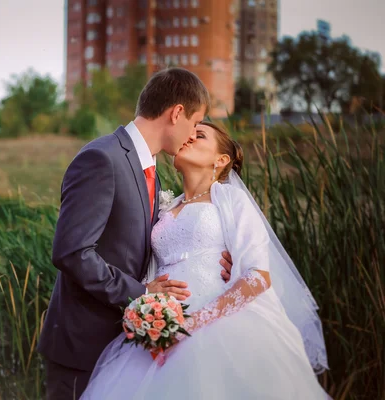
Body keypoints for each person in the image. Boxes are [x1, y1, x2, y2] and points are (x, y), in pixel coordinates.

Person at [80, 121, 330, 399]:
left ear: (220, 160)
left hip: (219, 322)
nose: (188, 139)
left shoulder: (231, 198)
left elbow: (258, 276)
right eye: (189, 133)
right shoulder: (164, 206)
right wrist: (147, 315)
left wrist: (191, 324)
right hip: (162, 328)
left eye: (199, 136)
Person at [37, 68, 234, 400]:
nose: (191, 135)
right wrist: (141, 292)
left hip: (128, 345)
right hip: (82, 345)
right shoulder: (102, 158)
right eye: (194, 123)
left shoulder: (152, 171)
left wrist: (219, 259)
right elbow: (72, 252)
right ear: (177, 113)